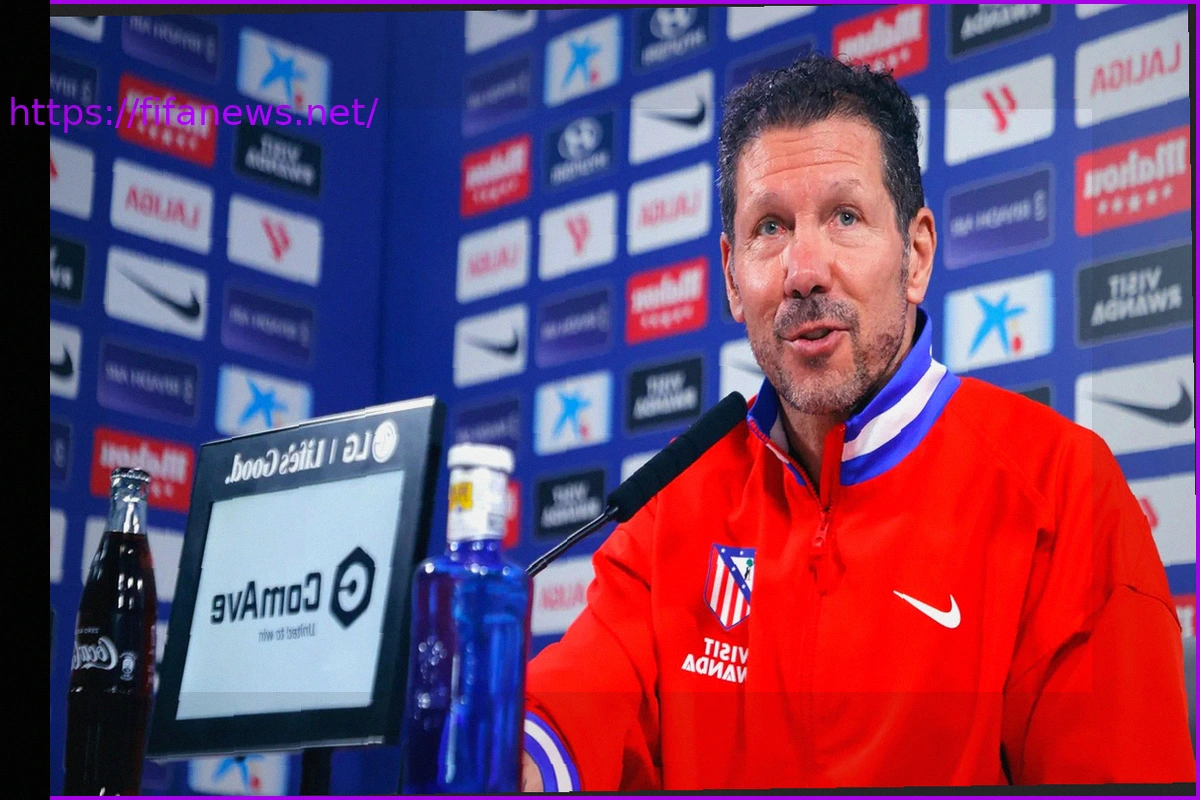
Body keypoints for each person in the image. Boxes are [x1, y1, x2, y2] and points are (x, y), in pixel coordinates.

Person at [518, 53, 1195, 790]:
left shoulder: (1062, 488)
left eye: (845, 217)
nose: (804, 270)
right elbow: (565, 719)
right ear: (733, 278)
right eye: (770, 227)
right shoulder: (677, 493)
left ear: (916, 255)